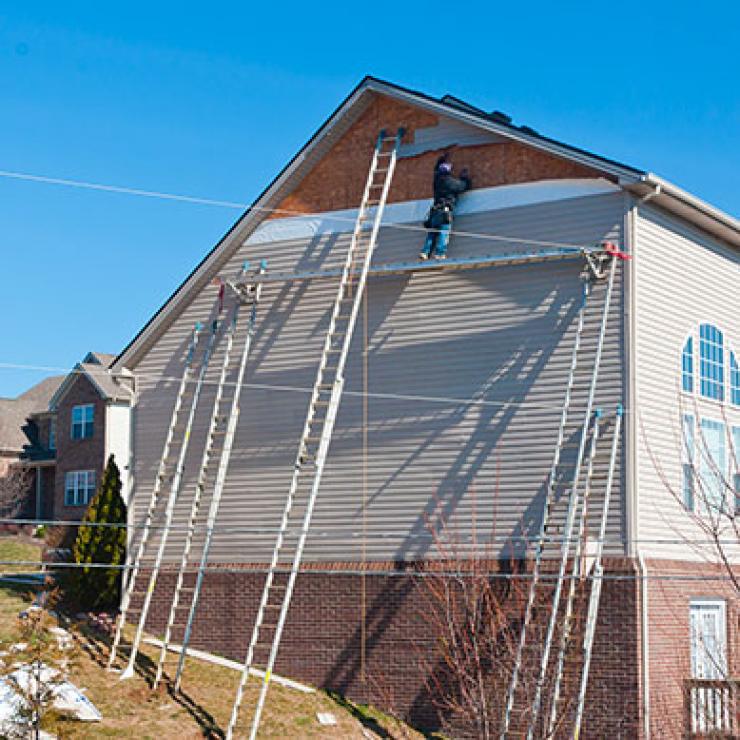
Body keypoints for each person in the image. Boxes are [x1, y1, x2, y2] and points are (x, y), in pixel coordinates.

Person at [420, 155, 471, 260]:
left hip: (434, 212)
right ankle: (439, 254)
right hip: (444, 212)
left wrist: (441, 159)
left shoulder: (436, 181)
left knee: (432, 233)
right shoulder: (449, 182)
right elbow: (462, 186)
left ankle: (425, 252)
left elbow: (435, 171)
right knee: (444, 233)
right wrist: (464, 177)